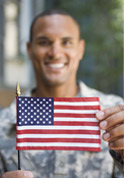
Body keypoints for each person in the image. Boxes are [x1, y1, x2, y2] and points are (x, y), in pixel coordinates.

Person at [0, 9, 124, 178]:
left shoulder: (115, 116)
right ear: (29, 49)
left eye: (66, 42)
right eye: (44, 42)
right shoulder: (4, 123)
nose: (55, 53)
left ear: (80, 49)